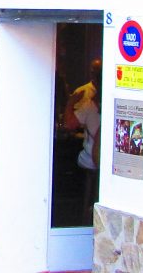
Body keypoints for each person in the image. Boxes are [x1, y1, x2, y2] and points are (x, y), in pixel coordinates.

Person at [64, 58, 102, 221]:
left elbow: (69, 124)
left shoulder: (88, 103)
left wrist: (71, 102)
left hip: (91, 159)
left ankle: (80, 213)